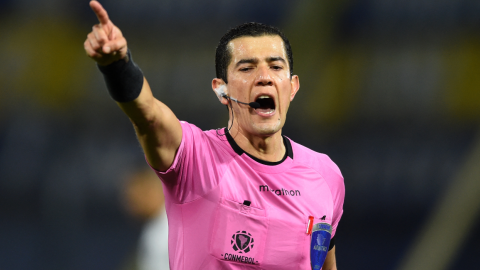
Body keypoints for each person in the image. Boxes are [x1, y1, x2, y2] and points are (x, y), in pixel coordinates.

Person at [84, 1, 345, 269]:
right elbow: (148, 115)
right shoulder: (196, 157)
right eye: (247, 68)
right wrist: (116, 65)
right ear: (222, 91)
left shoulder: (326, 175)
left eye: (276, 67)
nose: (264, 77)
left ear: (292, 87)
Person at [123, 168, 169, 270]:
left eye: (134, 197)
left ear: (150, 191)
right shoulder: (155, 226)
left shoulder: (169, 229)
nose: (129, 205)